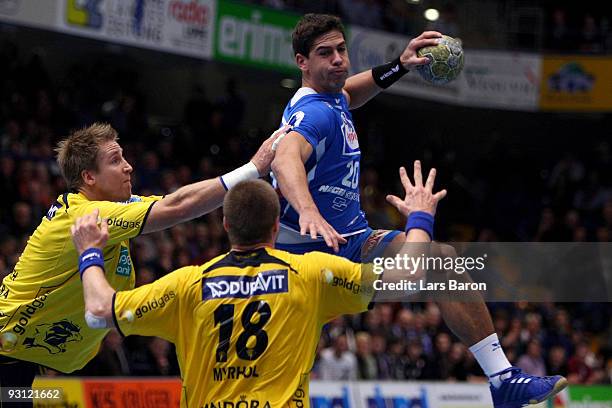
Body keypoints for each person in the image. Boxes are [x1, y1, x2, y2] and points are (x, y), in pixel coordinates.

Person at [74, 164, 565, 407]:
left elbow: (99, 309)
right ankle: (501, 377)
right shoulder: (307, 275)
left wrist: (90, 249)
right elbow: (412, 270)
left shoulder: (186, 284)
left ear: (224, 227)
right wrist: (420, 215)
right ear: (276, 231)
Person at [271, 14, 567, 407]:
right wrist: (306, 209)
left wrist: (399, 66)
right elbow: (284, 159)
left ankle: (503, 379)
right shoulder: (315, 114)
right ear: (301, 62)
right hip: (308, 259)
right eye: (326, 54)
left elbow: (350, 95)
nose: (339, 60)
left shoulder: (331, 99)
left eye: (342, 50)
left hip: (351, 242)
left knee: (442, 260)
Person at [0, 122, 289, 390]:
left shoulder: (116, 210)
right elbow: (178, 207)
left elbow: (178, 202)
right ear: (89, 177)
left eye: (124, 157)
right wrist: (252, 168)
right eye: (115, 161)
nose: (128, 167)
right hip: (7, 352)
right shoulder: (87, 214)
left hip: (29, 356)